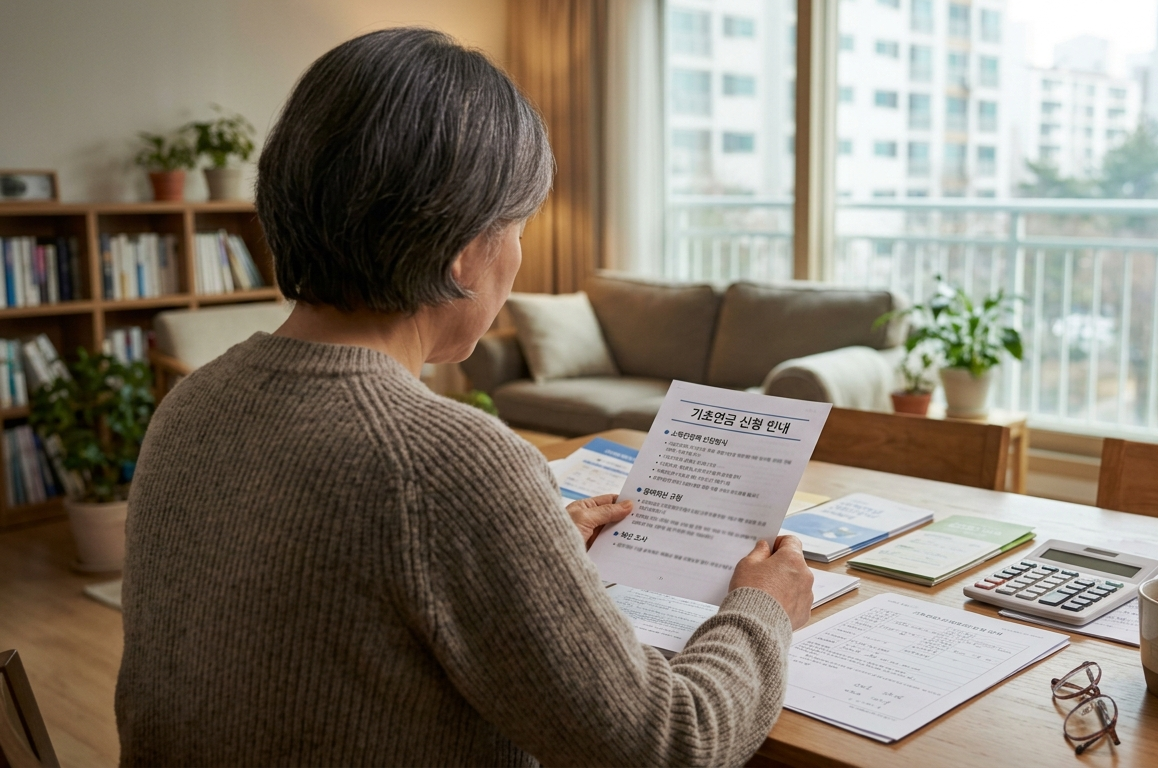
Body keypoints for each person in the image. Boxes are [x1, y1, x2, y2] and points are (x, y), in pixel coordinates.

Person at [115, 27, 813, 768]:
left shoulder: (191, 406)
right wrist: (763, 608)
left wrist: (527, 547)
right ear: (462, 249)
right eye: (517, 228)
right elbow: (669, 744)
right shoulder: (450, 464)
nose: (517, 257)